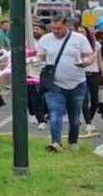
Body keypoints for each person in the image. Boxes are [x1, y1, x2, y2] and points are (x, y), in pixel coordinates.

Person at [30, 14, 93, 153]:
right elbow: (41, 56)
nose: (55, 31)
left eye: (58, 28)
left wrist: (85, 62)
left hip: (77, 83)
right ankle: (56, 143)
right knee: (55, 113)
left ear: (67, 26)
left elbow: (90, 55)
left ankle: (73, 141)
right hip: (54, 84)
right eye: (53, 28)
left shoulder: (79, 39)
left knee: (74, 116)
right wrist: (34, 61)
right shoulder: (46, 39)